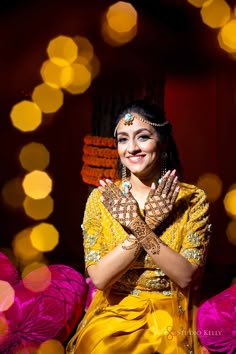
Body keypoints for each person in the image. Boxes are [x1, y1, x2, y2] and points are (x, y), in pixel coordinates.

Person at [66, 100, 211, 354]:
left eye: (143, 137)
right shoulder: (102, 199)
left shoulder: (191, 199)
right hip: (114, 315)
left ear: (163, 141)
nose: (131, 148)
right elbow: (100, 278)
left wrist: (138, 225)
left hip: (170, 316)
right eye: (123, 139)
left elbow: (185, 276)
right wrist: (142, 223)